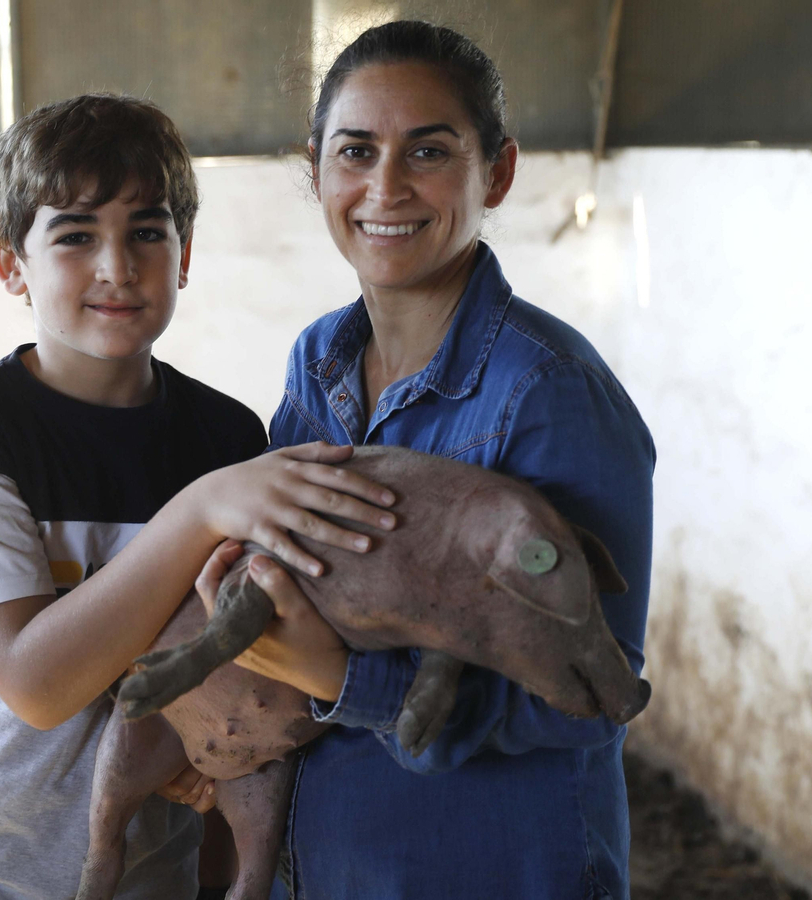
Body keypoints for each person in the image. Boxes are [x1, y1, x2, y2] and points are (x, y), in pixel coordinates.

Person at [0, 94, 397, 900]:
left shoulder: (225, 439)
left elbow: (228, 661)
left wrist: (206, 760)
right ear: (11, 264)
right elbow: (36, 686)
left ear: (183, 255)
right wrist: (201, 511)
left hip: (144, 871)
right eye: (75, 235)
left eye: (147, 231)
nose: (117, 265)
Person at [202, 21, 657, 899]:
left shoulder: (547, 392)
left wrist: (339, 679)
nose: (386, 186)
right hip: (332, 860)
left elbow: (589, 696)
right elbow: (286, 570)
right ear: (318, 170)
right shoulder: (320, 361)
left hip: (491, 868)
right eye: (356, 151)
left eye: (430, 152)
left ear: (500, 172)